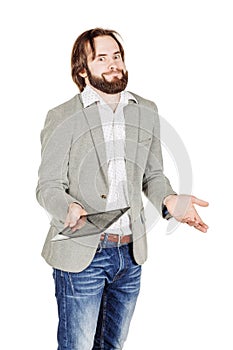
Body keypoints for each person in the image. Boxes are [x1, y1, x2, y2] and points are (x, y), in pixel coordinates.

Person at [36, 28, 209, 350]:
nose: (113, 64)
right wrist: (68, 208)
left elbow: (153, 175)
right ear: (82, 70)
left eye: (116, 56)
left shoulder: (146, 109)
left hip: (130, 255)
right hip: (82, 255)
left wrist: (170, 200)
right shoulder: (62, 116)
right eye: (101, 58)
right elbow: (48, 185)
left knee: (112, 345)